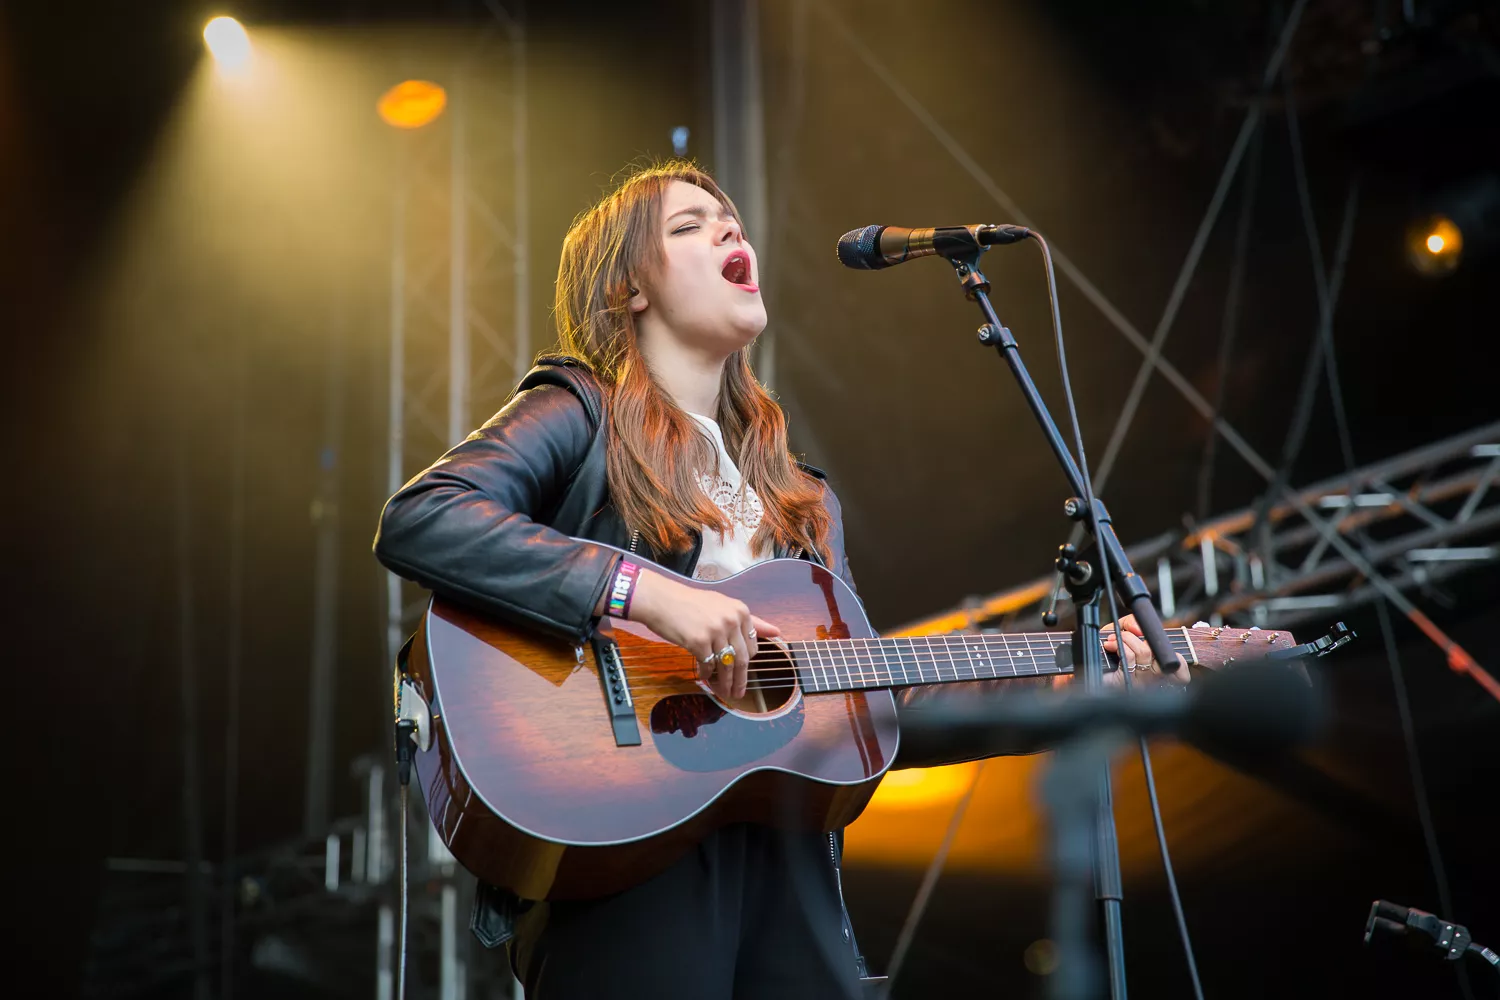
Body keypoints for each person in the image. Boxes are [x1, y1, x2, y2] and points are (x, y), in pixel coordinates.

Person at [374, 160, 1161, 999]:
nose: (730, 231)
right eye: (690, 225)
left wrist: (1082, 677)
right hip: (624, 848)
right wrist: (651, 596)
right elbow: (425, 517)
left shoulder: (806, 499)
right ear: (629, 287)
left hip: (790, 870)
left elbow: (871, 709)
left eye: (733, 221)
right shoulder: (581, 410)